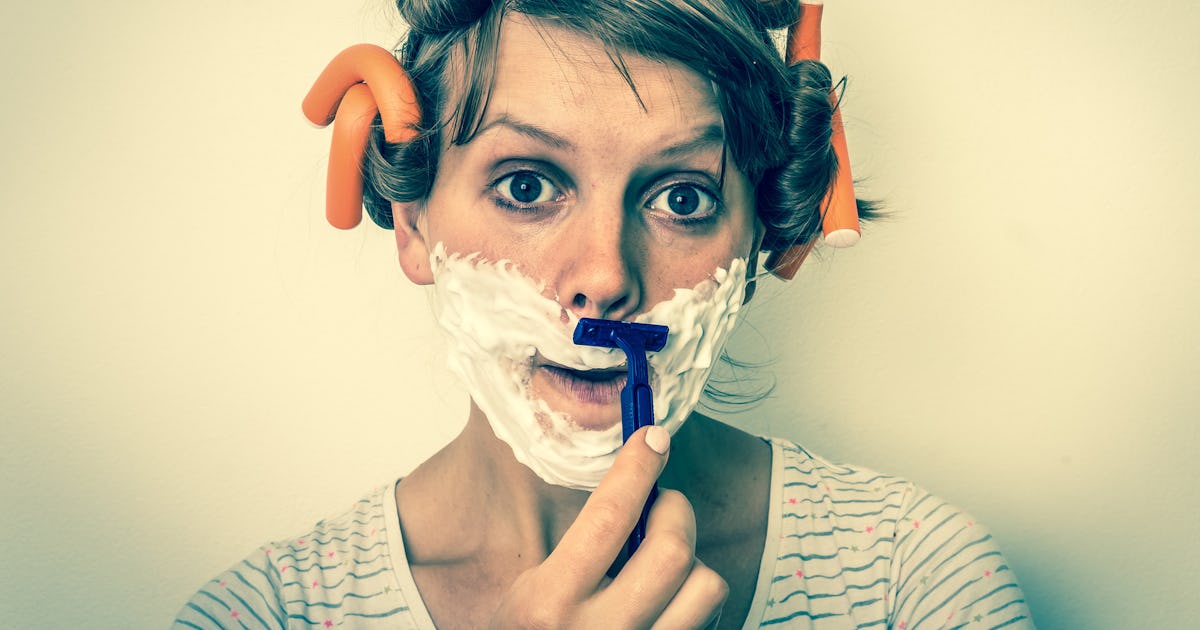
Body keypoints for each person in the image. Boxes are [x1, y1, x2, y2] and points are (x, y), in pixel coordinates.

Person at [175, 1, 1032, 628]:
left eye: (683, 197)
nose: (604, 280)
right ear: (412, 224)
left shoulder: (911, 581)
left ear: (761, 241)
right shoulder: (267, 615)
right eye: (526, 185)